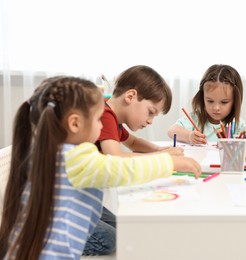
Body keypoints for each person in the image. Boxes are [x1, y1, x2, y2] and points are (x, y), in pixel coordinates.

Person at [0, 76, 201, 259]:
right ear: (75, 123)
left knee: (120, 227)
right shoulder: (76, 157)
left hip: (36, 245)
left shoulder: (54, 151)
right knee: (112, 238)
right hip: (51, 252)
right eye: (98, 120)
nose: (101, 125)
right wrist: (171, 162)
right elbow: (120, 169)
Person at [84, 65, 184, 255]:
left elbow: (134, 142)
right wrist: (163, 157)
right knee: (110, 240)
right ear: (130, 96)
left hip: (85, 199)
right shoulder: (104, 115)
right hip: (62, 203)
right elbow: (116, 158)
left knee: (126, 228)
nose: (150, 121)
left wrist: (162, 149)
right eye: (151, 112)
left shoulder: (114, 119)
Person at [167, 64, 246, 144]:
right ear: (202, 98)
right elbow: (171, 131)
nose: (216, 108)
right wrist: (189, 136)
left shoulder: (239, 125)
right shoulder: (195, 119)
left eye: (224, 102)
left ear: (235, 101)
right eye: (210, 101)